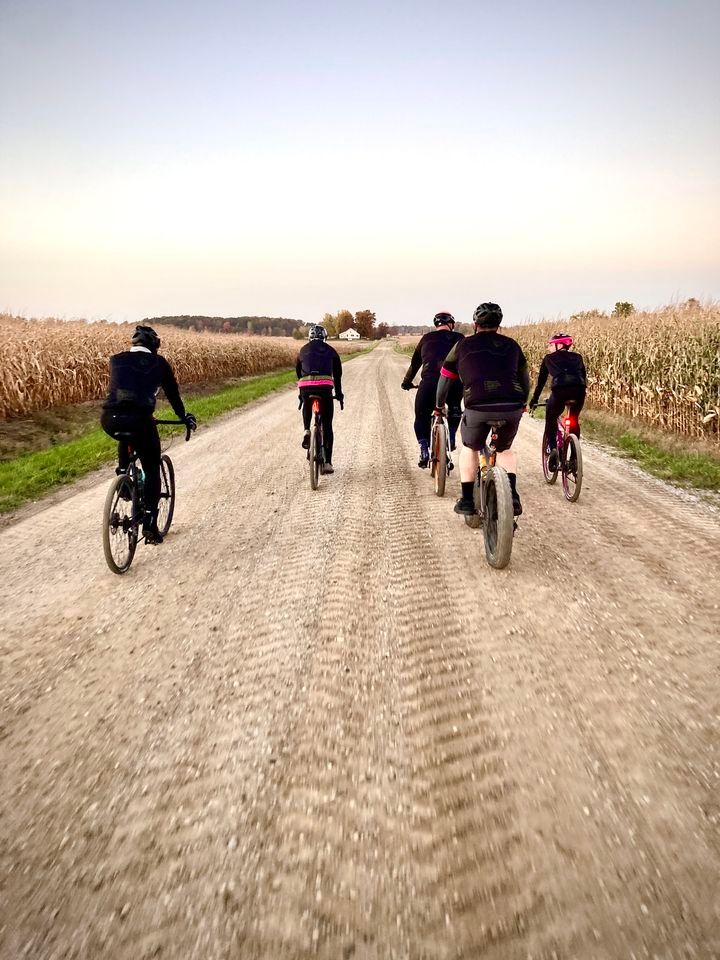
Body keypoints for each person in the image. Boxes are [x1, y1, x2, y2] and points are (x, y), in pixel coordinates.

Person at [100, 325, 196, 544]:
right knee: (152, 467)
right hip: (140, 421)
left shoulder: (116, 360)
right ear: (154, 345)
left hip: (110, 418)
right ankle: (150, 524)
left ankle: (123, 476)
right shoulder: (159, 363)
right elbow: (172, 394)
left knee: (126, 435)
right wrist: (183, 416)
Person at [436, 302, 529, 517]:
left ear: (475, 324)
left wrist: (439, 405)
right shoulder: (512, 345)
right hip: (511, 406)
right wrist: (523, 402)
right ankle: (513, 497)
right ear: (499, 325)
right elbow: (524, 379)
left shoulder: (462, 345)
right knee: (504, 449)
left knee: (471, 447)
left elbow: (445, 379)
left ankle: (467, 500)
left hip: (478, 406)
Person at [401, 311, 464, 467]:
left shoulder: (426, 339)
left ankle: (424, 449)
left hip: (429, 383)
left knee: (421, 416)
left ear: (436, 325)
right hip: (454, 383)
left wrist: (406, 382)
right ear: (451, 324)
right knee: (455, 409)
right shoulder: (460, 338)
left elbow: (415, 364)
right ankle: (451, 438)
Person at [529, 332, 587, 470]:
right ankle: (574, 458)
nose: (549, 347)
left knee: (551, 417)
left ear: (559, 345)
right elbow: (583, 377)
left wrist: (534, 400)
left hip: (560, 391)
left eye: (551, 344)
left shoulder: (548, 358)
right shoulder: (578, 357)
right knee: (574, 418)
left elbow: (541, 383)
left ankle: (553, 449)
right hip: (579, 391)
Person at [296, 324, 343, 473]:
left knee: (306, 403)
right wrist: (339, 394)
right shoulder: (331, 351)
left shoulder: (303, 350)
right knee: (327, 424)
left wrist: (301, 394)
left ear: (309, 337)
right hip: (325, 388)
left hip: (306, 386)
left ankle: (306, 430)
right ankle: (328, 463)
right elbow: (338, 376)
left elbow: (299, 372)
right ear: (324, 337)